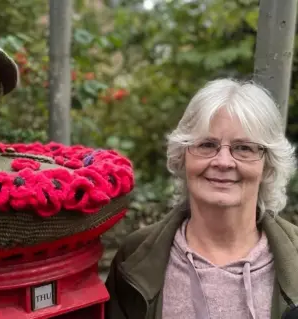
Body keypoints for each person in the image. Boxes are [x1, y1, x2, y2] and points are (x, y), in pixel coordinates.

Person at [105, 78, 298, 319]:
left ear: (268, 165)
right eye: (207, 145)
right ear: (182, 156)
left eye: (244, 148)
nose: (223, 162)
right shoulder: (134, 258)